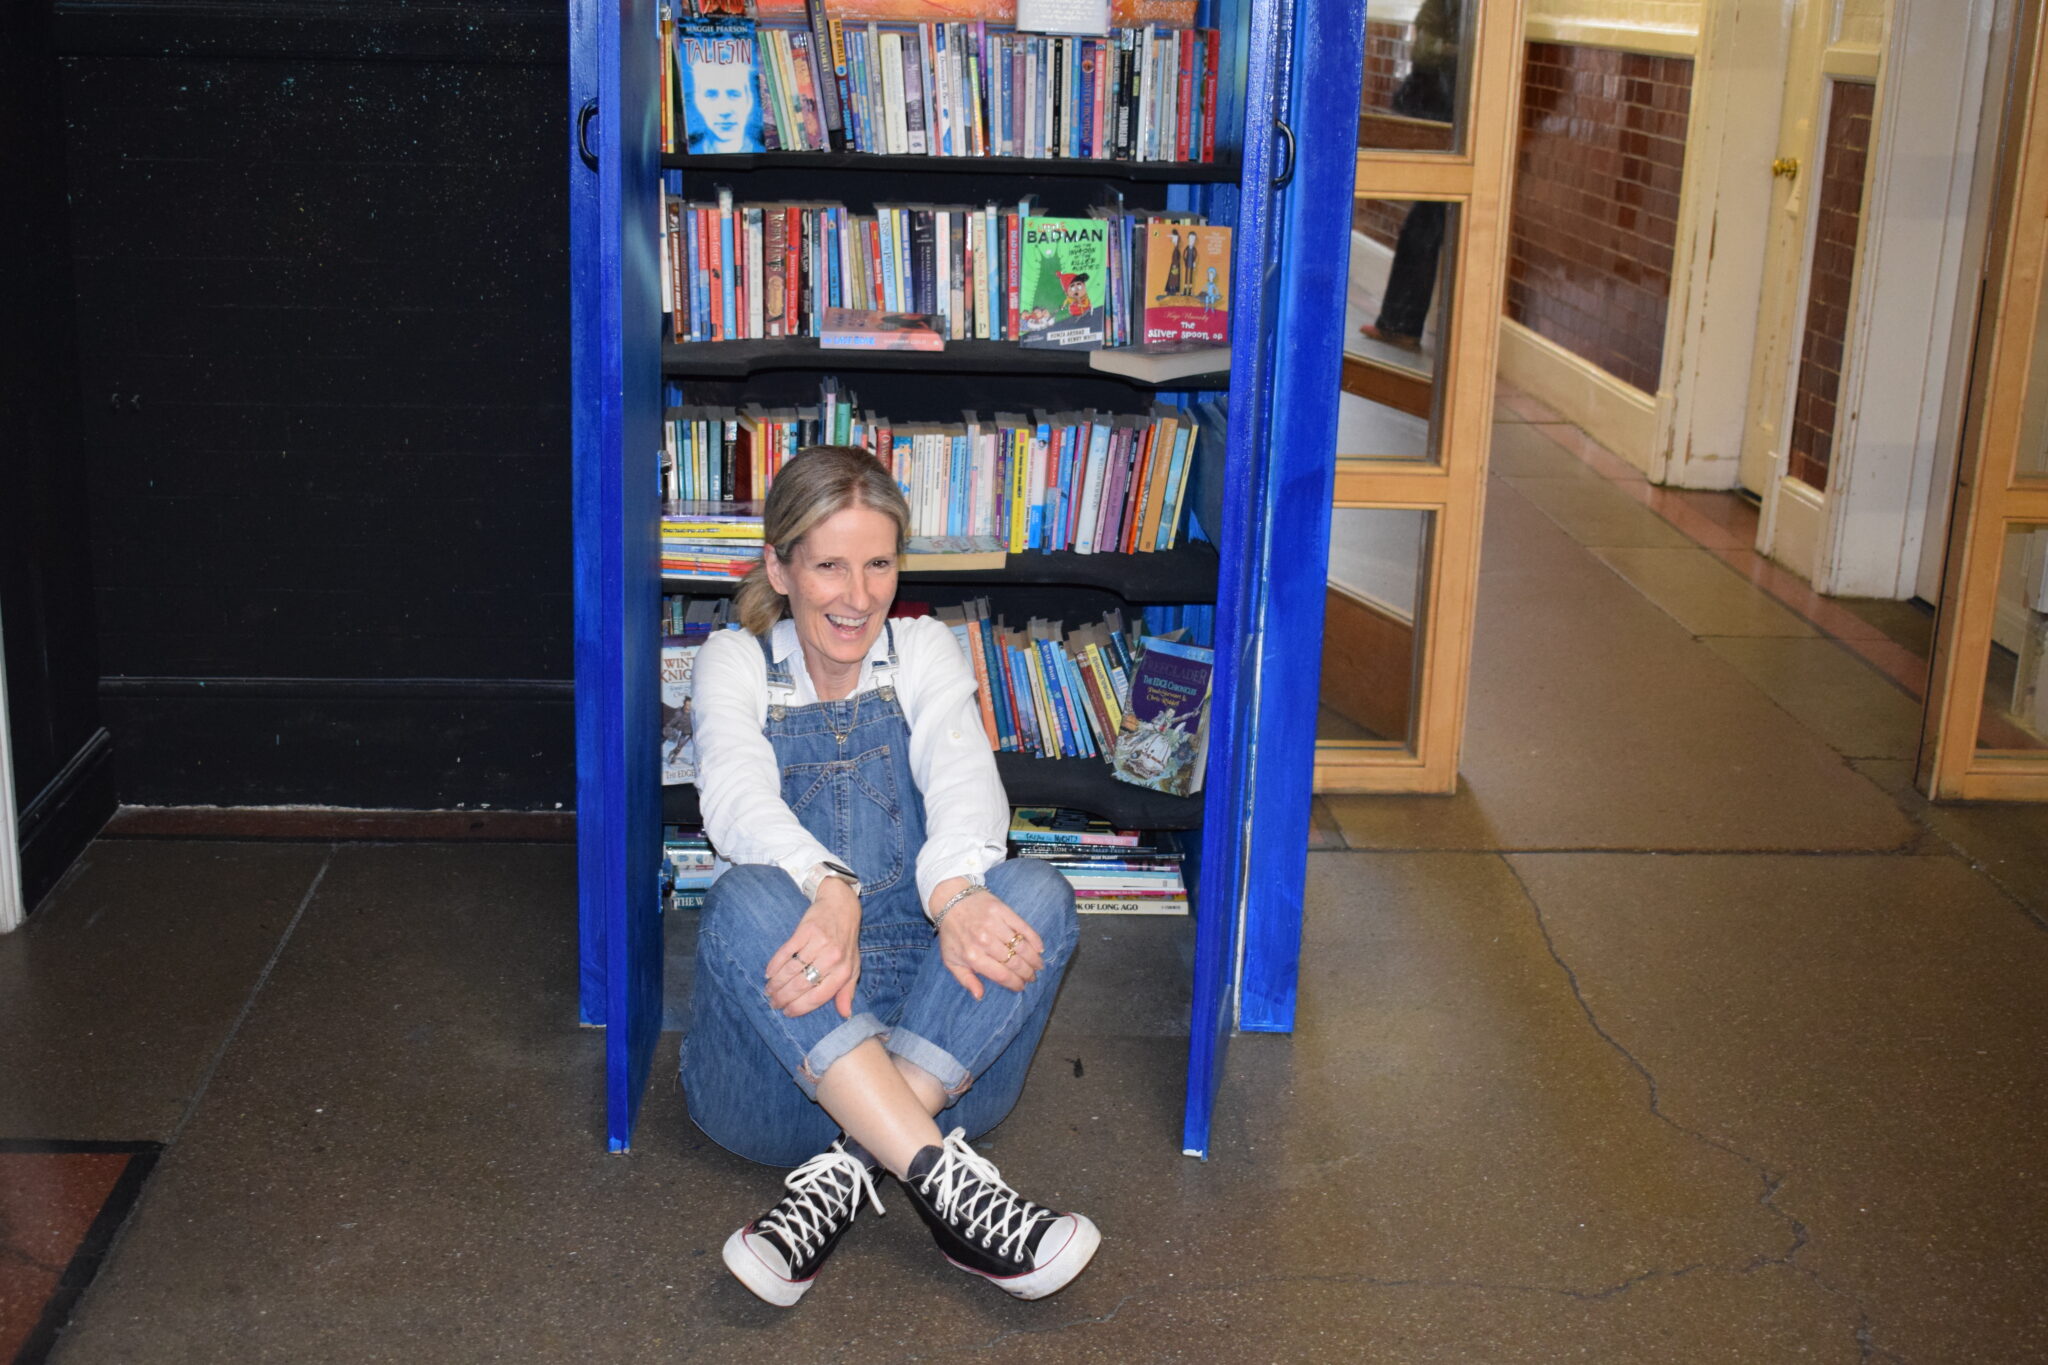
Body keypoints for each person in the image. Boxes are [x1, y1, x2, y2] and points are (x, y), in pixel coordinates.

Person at [680, 445, 1095, 1308]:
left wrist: (956, 894)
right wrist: (828, 886)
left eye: (878, 564)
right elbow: (734, 798)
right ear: (779, 568)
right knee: (744, 898)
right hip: (780, 1070)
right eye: (829, 565)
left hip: (935, 1040)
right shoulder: (734, 657)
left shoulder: (924, 648)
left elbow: (966, 779)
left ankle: (844, 1178)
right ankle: (952, 1191)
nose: (859, 595)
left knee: (1039, 894)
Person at [1361, 0, 1460, 351]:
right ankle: (1399, 323)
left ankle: (1400, 324)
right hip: (1451, 117)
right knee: (1427, 223)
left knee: (1425, 225)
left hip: (1449, 118)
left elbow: (1426, 49)